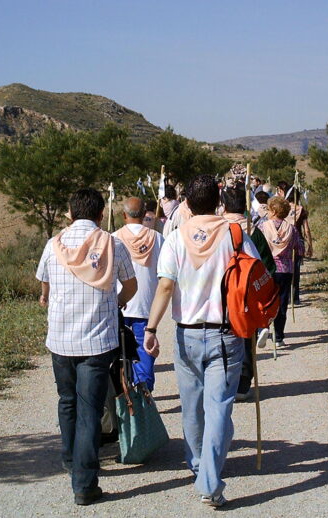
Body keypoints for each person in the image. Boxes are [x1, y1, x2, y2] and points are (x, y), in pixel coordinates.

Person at [144, 175, 262, 508]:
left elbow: (166, 287)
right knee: (220, 407)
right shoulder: (236, 234)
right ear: (219, 202)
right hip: (227, 334)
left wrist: (151, 329)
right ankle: (209, 480)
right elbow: (256, 276)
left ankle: (199, 466)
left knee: (192, 408)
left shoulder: (176, 237)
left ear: (188, 204)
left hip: (188, 335)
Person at [36, 188, 137, 506]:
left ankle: (70, 459)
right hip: (96, 340)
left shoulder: (53, 246)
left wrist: (49, 299)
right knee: (90, 409)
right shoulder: (113, 243)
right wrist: (114, 304)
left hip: (61, 340)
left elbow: (44, 289)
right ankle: (84, 483)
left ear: (69, 213)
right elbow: (131, 285)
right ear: (99, 213)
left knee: (67, 401)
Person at [220, 184, 276, 401]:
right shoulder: (255, 232)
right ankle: (243, 384)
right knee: (245, 338)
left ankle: (226, 382)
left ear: (224, 207)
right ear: (244, 208)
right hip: (247, 296)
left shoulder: (217, 229)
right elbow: (267, 267)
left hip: (222, 294)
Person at [113, 196, 164, 392]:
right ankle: (145, 393)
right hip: (147, 305)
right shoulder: (157, 239)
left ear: (124, 215)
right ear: (144, 214)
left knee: (119, 352)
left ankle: (122, 392)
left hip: (120, 304)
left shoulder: (113, 238)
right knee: (145, 350)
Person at [257, 196, 303, 350]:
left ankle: (263, 327)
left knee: (265, 300)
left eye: (269, 210)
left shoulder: (263, 227)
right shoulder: (292, 229)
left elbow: (256, 246)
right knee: (282, 303)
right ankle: (279, 337)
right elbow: (300, 249)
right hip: (286, 269)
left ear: (274, 211)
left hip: (267, 270)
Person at [277, 182, 313, 305]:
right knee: (296, 269)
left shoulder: (283, 208)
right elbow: (306, 229)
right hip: (298, 241)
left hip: (285, 240)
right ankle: (295, 297)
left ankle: (285, 295)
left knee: (286, 268)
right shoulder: (301, 210)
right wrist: (310, 245)